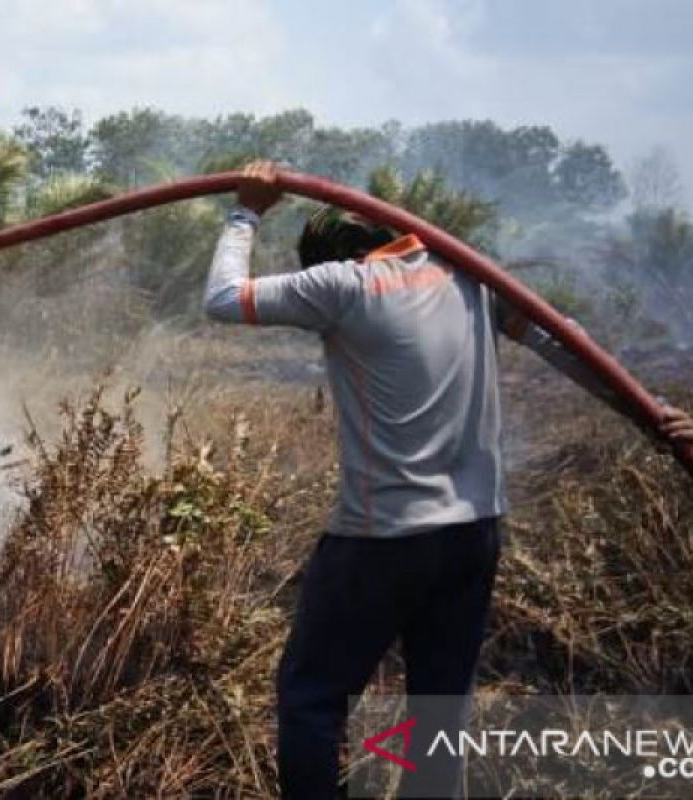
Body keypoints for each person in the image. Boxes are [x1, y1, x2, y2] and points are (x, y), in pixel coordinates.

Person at [203, 161, 693, 798]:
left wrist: (246, 210)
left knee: (313, 697)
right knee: (439, 712)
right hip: (473, 535)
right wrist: (652, 415)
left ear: (337, 255)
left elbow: (222, 298)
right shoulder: (471, 277)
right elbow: (565, 343)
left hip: (382, 537)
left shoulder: (346, 285)